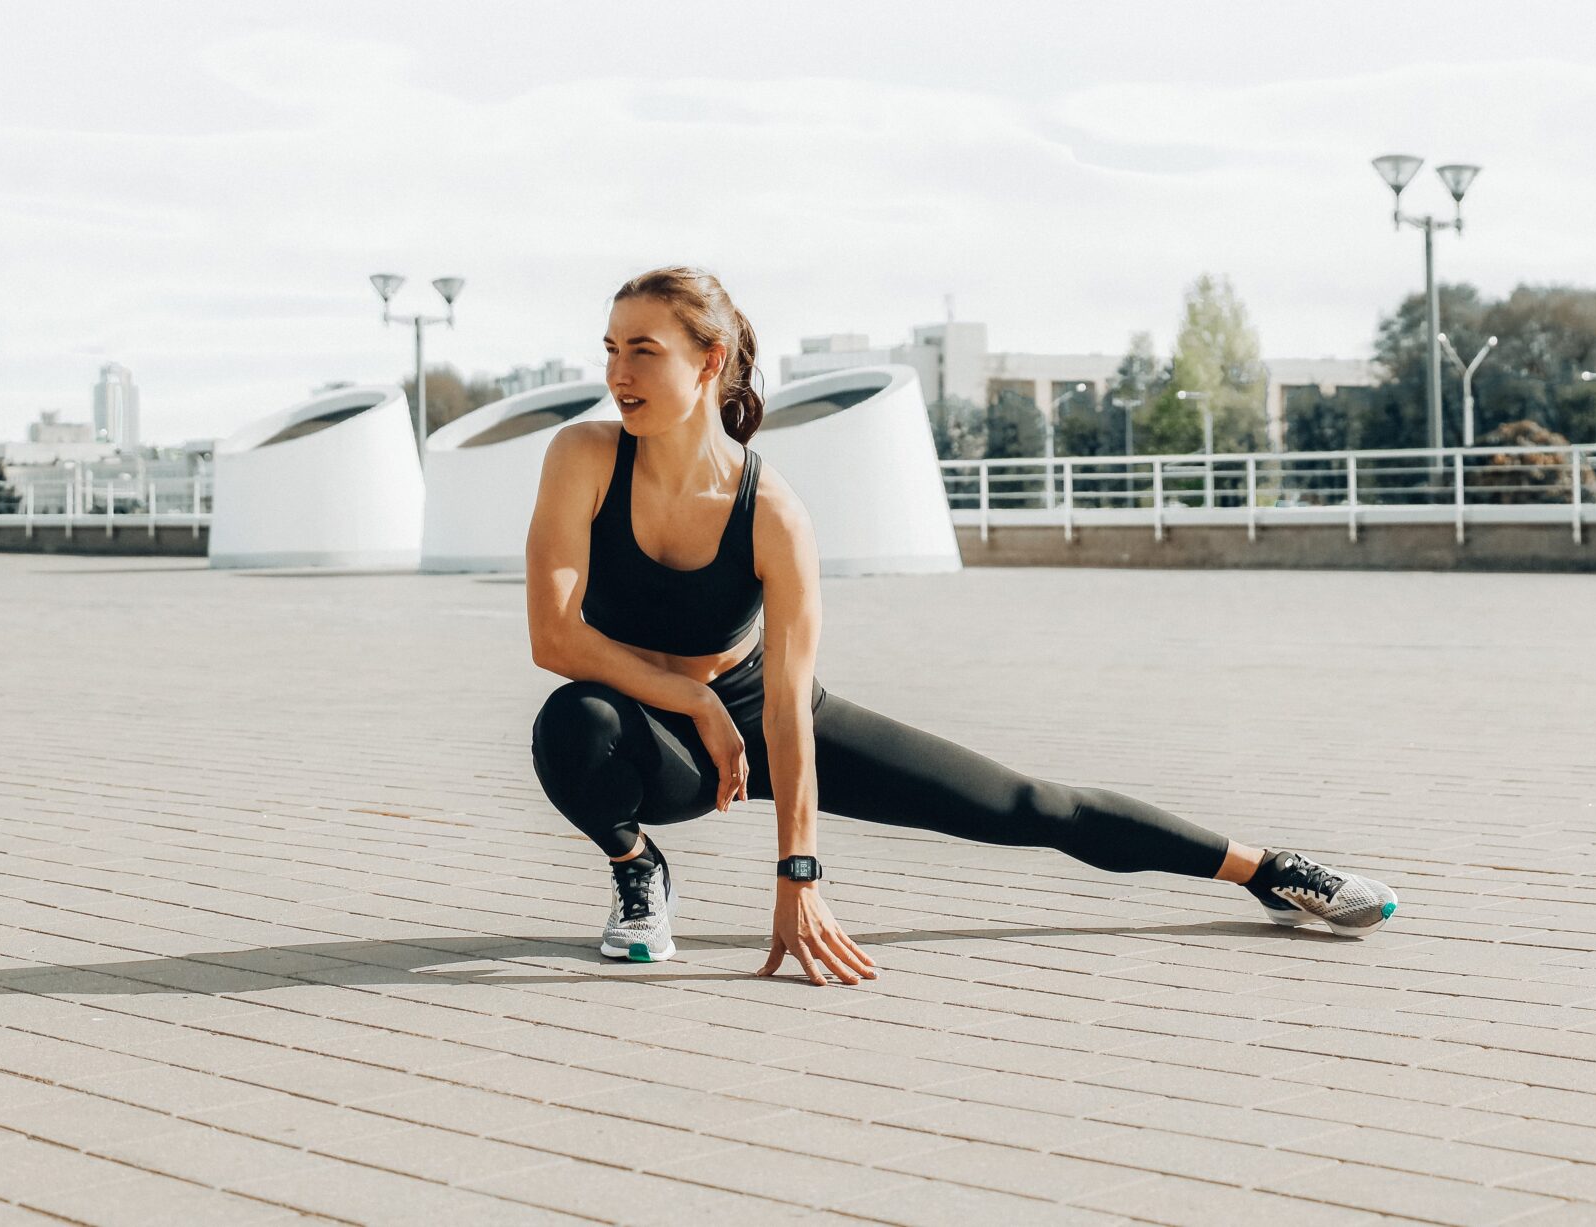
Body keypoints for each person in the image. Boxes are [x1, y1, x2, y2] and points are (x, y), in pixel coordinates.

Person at [525, 266, 1397, 984]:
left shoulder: (773, 514)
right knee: (573, 724)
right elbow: (554, 638)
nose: (618, 374)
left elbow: (788, 708)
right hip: (647, 736)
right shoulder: (584, 458)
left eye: (643, 350)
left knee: (1028, 805)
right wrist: (687, 697)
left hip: (761, 709)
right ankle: (636, 866)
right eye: (611, 349)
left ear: (710, 361)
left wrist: (798, 874)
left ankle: (1270, 869)